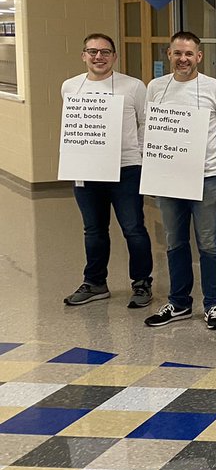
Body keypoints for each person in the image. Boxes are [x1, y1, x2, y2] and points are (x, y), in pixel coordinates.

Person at [144, 31, 216, 330]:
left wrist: (211, 160)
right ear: (168, 55)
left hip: (206, 177)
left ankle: (213, 305)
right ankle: (179, 302)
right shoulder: (156, 88)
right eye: (177, 53)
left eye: (189, 54)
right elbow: (152, 128)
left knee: (209, 244)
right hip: (169, 178)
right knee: (174, 241)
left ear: (199, 56)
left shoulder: (215, 88)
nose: (183, 59)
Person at [61, 33, 154, 309]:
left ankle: (141, 283)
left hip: (126, 168)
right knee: (93, 230)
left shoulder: (134, 86)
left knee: (133, 228)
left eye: (104, 52)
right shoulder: (70, 87)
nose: (98, 57)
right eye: (92, 51)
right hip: (86, 169)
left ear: (114, 56)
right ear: (83, 56)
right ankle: (95, 283)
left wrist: (137, 154)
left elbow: (145, 122)